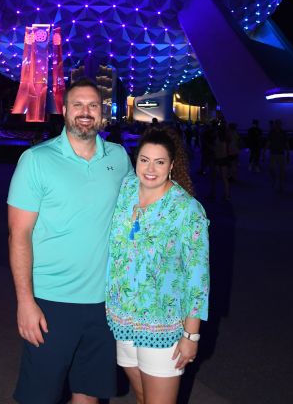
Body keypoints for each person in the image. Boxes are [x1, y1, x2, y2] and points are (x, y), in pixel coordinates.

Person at [7, 77, 134, 404]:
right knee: (40, 396)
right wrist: (25, 301)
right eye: (77, 104)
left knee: (89, 393)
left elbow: (139, 214)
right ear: (64, 110)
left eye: (93, 105)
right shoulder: (36, 160)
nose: (85, 112)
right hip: (51, 301)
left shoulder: (119, 158)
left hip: (104, 303)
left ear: (103, 112)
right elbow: (18, 234)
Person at [106, 127, 209, 404]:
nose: (150, 169)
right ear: (136, 160)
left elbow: (198, 279)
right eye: (144, 159)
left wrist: (191, 334)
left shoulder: (187, 210)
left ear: (172, 165)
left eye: (159, 161)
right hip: (123, 320)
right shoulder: (126, 189)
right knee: (141, 397)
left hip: (162, 327)